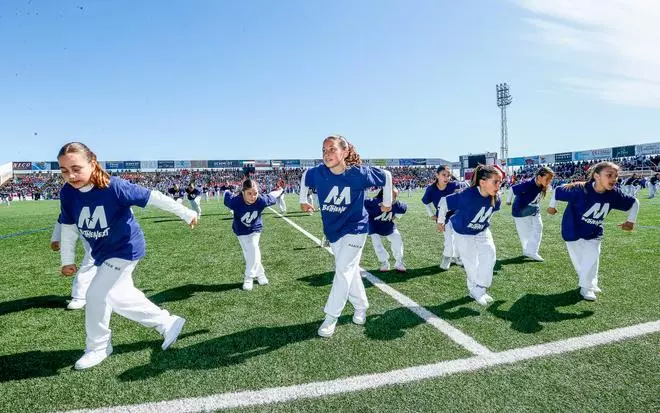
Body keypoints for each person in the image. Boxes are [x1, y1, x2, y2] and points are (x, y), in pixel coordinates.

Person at [57, 142, 198, 370]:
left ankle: (98, 347)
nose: (71, 175)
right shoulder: (67, 193)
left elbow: (153, 197)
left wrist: (187, 213)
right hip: (102, 253)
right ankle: (167, 323)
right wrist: (66, 260)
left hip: (125, 250)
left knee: (95, 295)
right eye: (64, 171)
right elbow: (68, 227)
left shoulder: (114, 187)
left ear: (93, 163)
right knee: (118, 296)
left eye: (76, 168)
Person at [299, 135, 392, 338]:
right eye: (324, 150)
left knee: (343, 270)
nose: (327, 154)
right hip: (333, 231)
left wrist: (387, 202)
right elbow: (305, 176)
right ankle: (361, 306)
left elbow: (386, 175)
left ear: (345, 152)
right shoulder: (318, 172)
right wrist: (303, 199)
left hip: (356, 229)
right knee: (349, 271)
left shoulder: (359, 173)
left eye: (332, 149)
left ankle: (331, 316)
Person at [548, 161, 639, 301]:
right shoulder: (579, 190)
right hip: (572, 229)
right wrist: (551, 207)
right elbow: (557, 190)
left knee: (592, 257)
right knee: (579, 261)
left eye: (616, 175)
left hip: (594, 231)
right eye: (609, 175)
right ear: (596, 176)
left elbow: (634, 202)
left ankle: (586, 287)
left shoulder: (614, 194)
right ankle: (590, 282)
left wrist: (631, 221)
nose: (614, 179)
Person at [437, 164, 503, 306]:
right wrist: (441, 221)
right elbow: (444, 202)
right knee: (471, 261)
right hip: (462, 231)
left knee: (490, 254)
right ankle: (474, 290)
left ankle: (479, 288)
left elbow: (488, 214)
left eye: (500, 182)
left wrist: (480, 225)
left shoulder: (496, 199)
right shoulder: (467, 195)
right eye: (495, 182)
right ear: (482, 182)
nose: (499, 186)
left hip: (481, 230)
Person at [224, 179, 283, 290]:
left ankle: (248, 277)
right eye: (249, 193)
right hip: (240, 231)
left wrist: (280, 190)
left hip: (255, 229)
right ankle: (260, 274)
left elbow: (272, 195)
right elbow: (226, 195)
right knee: (249, 253)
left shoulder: (261, 200)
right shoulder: (235, 202)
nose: (253, 196)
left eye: (255, 193)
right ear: (243, 192)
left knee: (253, 248)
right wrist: (227, 189)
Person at [51, 215, 96, 310]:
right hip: (88, 231)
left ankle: (82, 295)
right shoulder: (71, 201)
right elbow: (63, 216)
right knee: (92, 257)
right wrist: (56, 238)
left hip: (111, 230)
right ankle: (80, 295)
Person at [511, 166, 554, 261]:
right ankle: (529, 251)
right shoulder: (528, 184)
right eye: (547, 179)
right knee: (526, 232)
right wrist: (508, 201)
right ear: (539, 177)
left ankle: (531, 251)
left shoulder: (541, 185)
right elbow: (512, 189)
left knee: (538, 227)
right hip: (521, 210)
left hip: (531, 209)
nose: (549, 181)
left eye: (550, 179)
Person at [421, 165, 461, 270]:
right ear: (437, 175)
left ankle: (456, 257)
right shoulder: (431, 189)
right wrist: (431, 215)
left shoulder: (454, 186)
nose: (447, 178)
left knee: (457, 237)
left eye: (449, 175)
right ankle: (446, 258)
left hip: (456, 215)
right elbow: (425, 202)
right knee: (448, 238)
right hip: (442, 217)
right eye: (444, 175)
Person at [366, 187, 407, 272]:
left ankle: (399, 262)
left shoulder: (396, 204)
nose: (394, 198)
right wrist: (379, 206)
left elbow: (404, 208)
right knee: (377, 244)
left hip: (389, 227)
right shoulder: (374, 202)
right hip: (374, 227)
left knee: (397, 240)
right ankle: (384, 262)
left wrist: (392, 208)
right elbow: (363, 202)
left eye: (396, 196)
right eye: (392, 196)